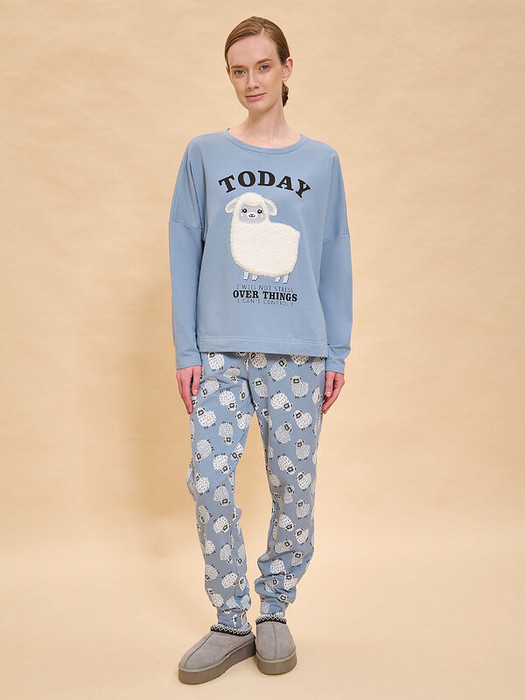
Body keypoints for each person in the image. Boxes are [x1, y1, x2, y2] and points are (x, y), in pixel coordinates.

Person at [168, 16, 353, 684]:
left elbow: (333, 255)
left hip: (298, 353)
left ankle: (273, 610)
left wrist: (336, 351)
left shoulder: (321, 163)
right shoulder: (204, 154)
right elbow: (184, 247)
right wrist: (186, 350)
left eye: (263, 67)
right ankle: (229, 620)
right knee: (208, 480)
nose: (251, 81)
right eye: (238, 70)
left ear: (286, 68)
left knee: (293, 487)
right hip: (218, 353)